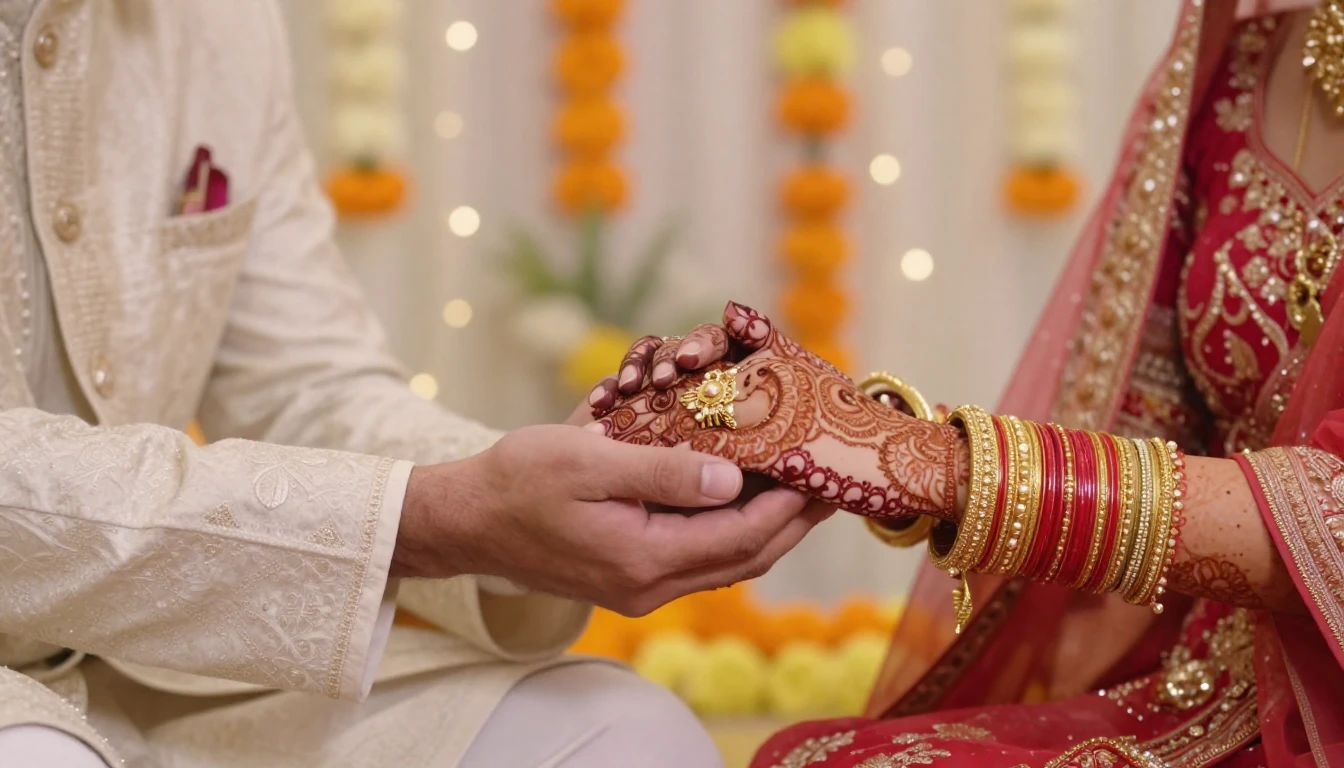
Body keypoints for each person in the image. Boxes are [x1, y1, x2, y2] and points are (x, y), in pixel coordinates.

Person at [0, 2, 837, 767]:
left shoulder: (218, 21)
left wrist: (569, 477)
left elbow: (307, 384)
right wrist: (433, 517)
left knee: (626, 734)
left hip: (162, 669)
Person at [591, 0, 1344, 765]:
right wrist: (817, 438)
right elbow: (1150, 423)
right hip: (1207, 678)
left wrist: (932, 463)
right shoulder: (1240, 59)